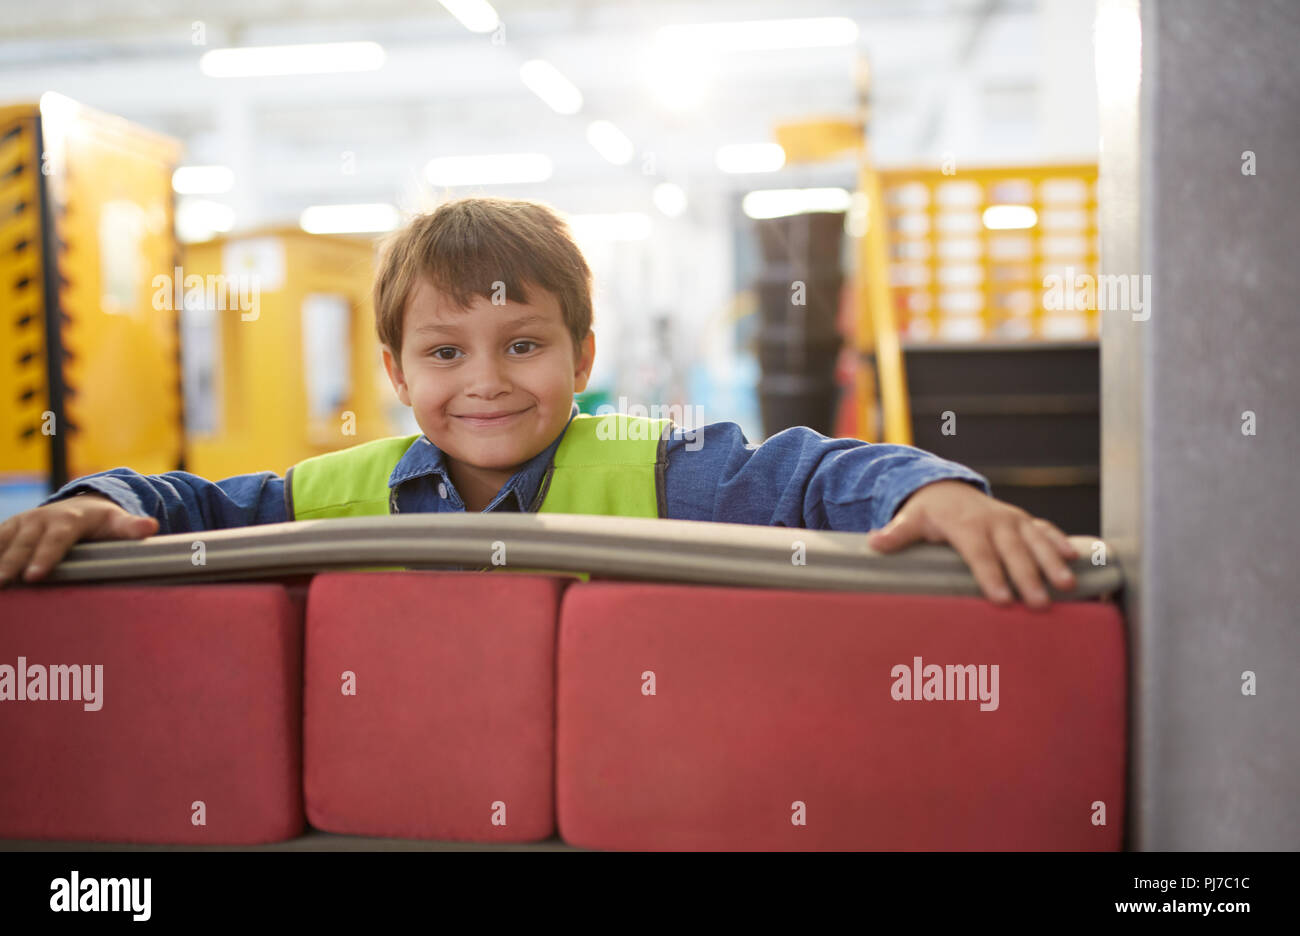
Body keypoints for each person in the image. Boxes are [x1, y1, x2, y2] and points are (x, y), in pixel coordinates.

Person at [0, 197, 1078, 607]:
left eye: (523, 344)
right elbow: (191, 509)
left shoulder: (666, 464)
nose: (484, 380)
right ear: (394, 370)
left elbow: (809, 472)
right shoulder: (332, 490)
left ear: (582, 354)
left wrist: (937, 491)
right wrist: (95, 499)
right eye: (443, 349)